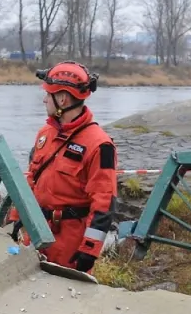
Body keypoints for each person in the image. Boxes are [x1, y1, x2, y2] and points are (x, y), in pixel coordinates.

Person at [6, 60, 118, 274]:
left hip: (69, 243)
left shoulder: (100, 145)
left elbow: (104, 203)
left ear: (63, 99)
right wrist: (15, 221)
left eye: (48, 95)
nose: (44, 99)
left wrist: (89, 252)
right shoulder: (44, 135)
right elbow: (30, 183)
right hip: (35, 236)